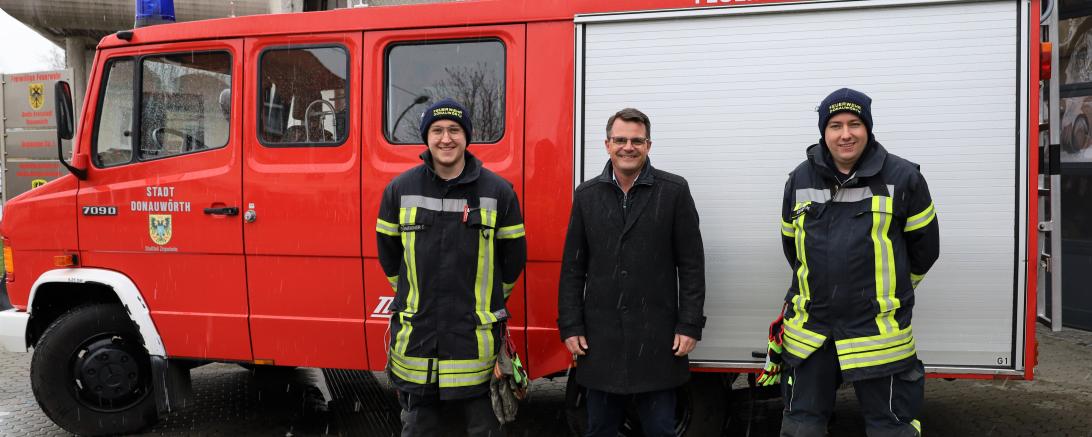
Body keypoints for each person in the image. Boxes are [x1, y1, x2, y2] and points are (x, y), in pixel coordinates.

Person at [770, 88, 940, 437]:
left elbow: (925, 250)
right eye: (835, 125)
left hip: (879, 334)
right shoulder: (799, 179)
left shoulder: (904, 178)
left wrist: (890, 289)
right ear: (824, 132)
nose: (845, 134)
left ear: (868, 128)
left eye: (854, 124)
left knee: (890, 431)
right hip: (810, 336)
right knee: (801, 430)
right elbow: (793, 250)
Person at [375, 98, 527, 437]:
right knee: (418, 429)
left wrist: (486, 302)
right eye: (438, 130)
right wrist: (414, 294)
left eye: (454, 130)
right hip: (418, 341)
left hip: (475, 342)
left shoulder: (498, 192)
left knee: (483, 429)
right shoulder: (399, 190)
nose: (446, 138)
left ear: (467, 137)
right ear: (426, 138)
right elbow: (389, 255)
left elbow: (513, 260)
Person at [557, 107, 706, 437]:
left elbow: (692, 265)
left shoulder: (674, 191)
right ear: (607, 144)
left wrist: (689, 324)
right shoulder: (587, 196)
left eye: (636, 140)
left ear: (648, 146)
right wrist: (570, 325)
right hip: (600, 342)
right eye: (620, 139)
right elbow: (573, 268)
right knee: (600, 430)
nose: (628, 147)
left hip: (658, 341)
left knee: (660, 431)